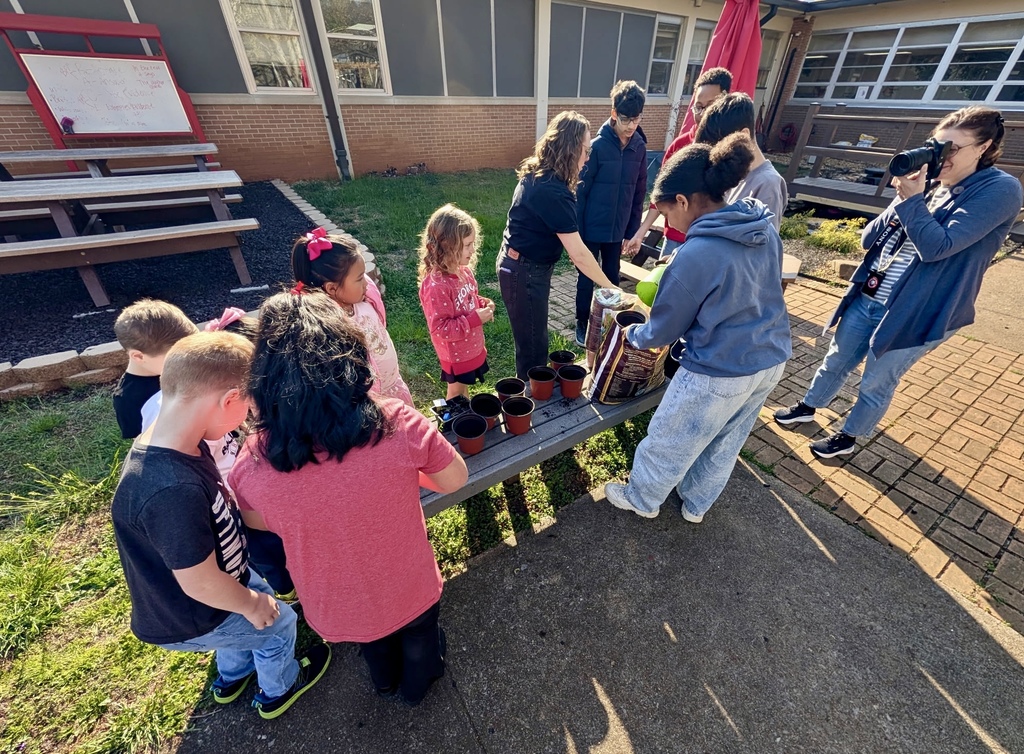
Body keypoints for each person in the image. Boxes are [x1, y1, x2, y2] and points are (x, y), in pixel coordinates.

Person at [229, 291, 469, 706]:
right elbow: (453, 479)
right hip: (409, 582)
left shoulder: (250, 464)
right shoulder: (399, 421)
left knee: (372, 643)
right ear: (352, 357)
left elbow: (260, 523)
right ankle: (417, 687)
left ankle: (385, 684)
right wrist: (403, 477)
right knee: (419, 637)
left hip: (334, 602)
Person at [774, 106, 1023, 459]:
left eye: (952, 149)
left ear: (983, 148)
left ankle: (848, 436)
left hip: (917, 311)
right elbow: (868, 240)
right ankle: (808, 406)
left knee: (877, 379)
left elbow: (939, 247)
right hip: (871, 293)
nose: (941, 156)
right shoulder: (932, 184)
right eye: (937, 146)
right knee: (837, 358)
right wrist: (903, 198)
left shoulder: (1000, 190)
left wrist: (913, 201)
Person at [110, 331, 330, 721]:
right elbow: (199, 582)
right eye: (246, 409)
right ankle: (280, 688)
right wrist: (249, 603)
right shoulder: (170, 489)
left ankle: (234, 675)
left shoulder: (175, 440)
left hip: (221, 583)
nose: (245, 419)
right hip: (195, 611)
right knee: (278, 625)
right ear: (229, 400)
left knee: (244, 622)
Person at [604, 133, 791, 521]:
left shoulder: (696, 253)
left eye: (667, 214)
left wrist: (630, 334)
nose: (668, 224)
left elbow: (661, 330)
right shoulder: (762, 227)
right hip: (771, 358)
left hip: (719, 367)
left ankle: (642, 498)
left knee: (671, 435)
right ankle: (696, 504)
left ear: (684, 201)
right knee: (727, 440)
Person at [139, 307, 296, 603]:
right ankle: (287, 592)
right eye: (249, 403)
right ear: (229, 399)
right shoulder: (177, 485)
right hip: (228, 534)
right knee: (264, 554)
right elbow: (197, 577)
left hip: (235, 515)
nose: (251, 414)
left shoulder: (186, 415)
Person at [497, 111, 619, 379]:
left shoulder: (542, 173)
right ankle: (532, 410)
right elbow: (579, 255)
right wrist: (610, 286)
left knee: (533, 341)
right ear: (570, 148)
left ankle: (532, 399)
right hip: (524, 271)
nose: (587, 159)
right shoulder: (550, 189)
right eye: (585, 151)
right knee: (533, 350)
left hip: (520, 264)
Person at [292, 228, 413, 406]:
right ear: (332, 288)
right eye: (359, 279)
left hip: (394, 386)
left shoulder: (363, 299)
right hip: (372, 402)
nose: (366, 283)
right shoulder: (333, 328)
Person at [625, 67, 733, 259]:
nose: (701, 114)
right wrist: (641, 232)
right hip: (675, 238)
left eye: (710, 106)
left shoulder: (730, 152)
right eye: (698, 107)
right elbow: (660, 194)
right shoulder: (680, 145)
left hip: (711, 241)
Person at [573, 80, 649, 346]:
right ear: (614, 113)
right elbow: (580, 194)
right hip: (591, 229)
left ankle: (608, 324)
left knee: (612, 277)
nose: (631, 126)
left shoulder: (639, 147)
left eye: (636, 119)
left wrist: (632, 231)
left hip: (617, 231)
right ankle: (582, 323)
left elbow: (639, 191)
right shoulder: (596, 147)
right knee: (586, 278)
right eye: (626, 119)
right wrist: (578, 236)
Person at [418, 204, 495, 400]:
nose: (473, 249)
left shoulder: (464, 271)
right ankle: (452, 427)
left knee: (464, 389)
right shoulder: (436, 286)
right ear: (448, 246)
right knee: (456, 392)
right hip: (457, 354)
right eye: (467, 245)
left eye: (473, 244)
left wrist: (481, 303)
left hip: (470, 348)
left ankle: (465, 417)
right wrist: (473, 320)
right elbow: (440, 328)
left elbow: (468, 299)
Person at [695, 92, 788, 230]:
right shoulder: (733, 174)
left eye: (721, 147)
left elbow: (763, 245)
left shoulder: (768, 184)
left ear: (743, 135)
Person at [111, 299, 197, 439]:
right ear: (138, 356)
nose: (188, 361)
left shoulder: (179, 368)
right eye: (176, 356)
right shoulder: (128, 401)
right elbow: (144, 446)